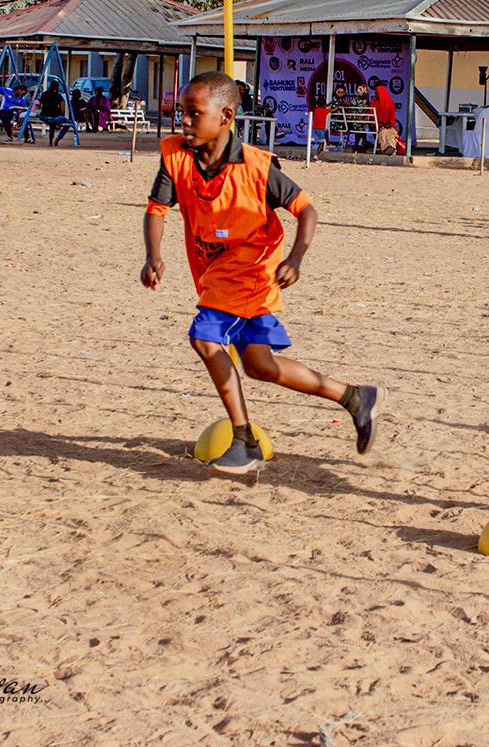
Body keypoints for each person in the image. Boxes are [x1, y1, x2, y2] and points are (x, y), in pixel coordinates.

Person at [142, 71, 380, 479]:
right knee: (259, 366)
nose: (183, 121)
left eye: (193, 113)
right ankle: (355, 397)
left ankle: (244, 441)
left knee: (204, 336)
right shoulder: (175, 157)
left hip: (252, 267)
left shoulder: (257, 167)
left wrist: (296, 258)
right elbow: (156, 211)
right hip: (216, 271)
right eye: (181, 112)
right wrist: (153, 256)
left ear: (226, 116)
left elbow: (307, 210)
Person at [41, 79, 71, 146]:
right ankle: (57, 139)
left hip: (44, 116)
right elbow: (62, 108)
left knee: (52, 124)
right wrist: (61, 116)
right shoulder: (58, 96)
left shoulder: (44, 94)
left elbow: (40, 104)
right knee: (69, 123)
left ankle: (50, 141)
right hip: (55, 117)